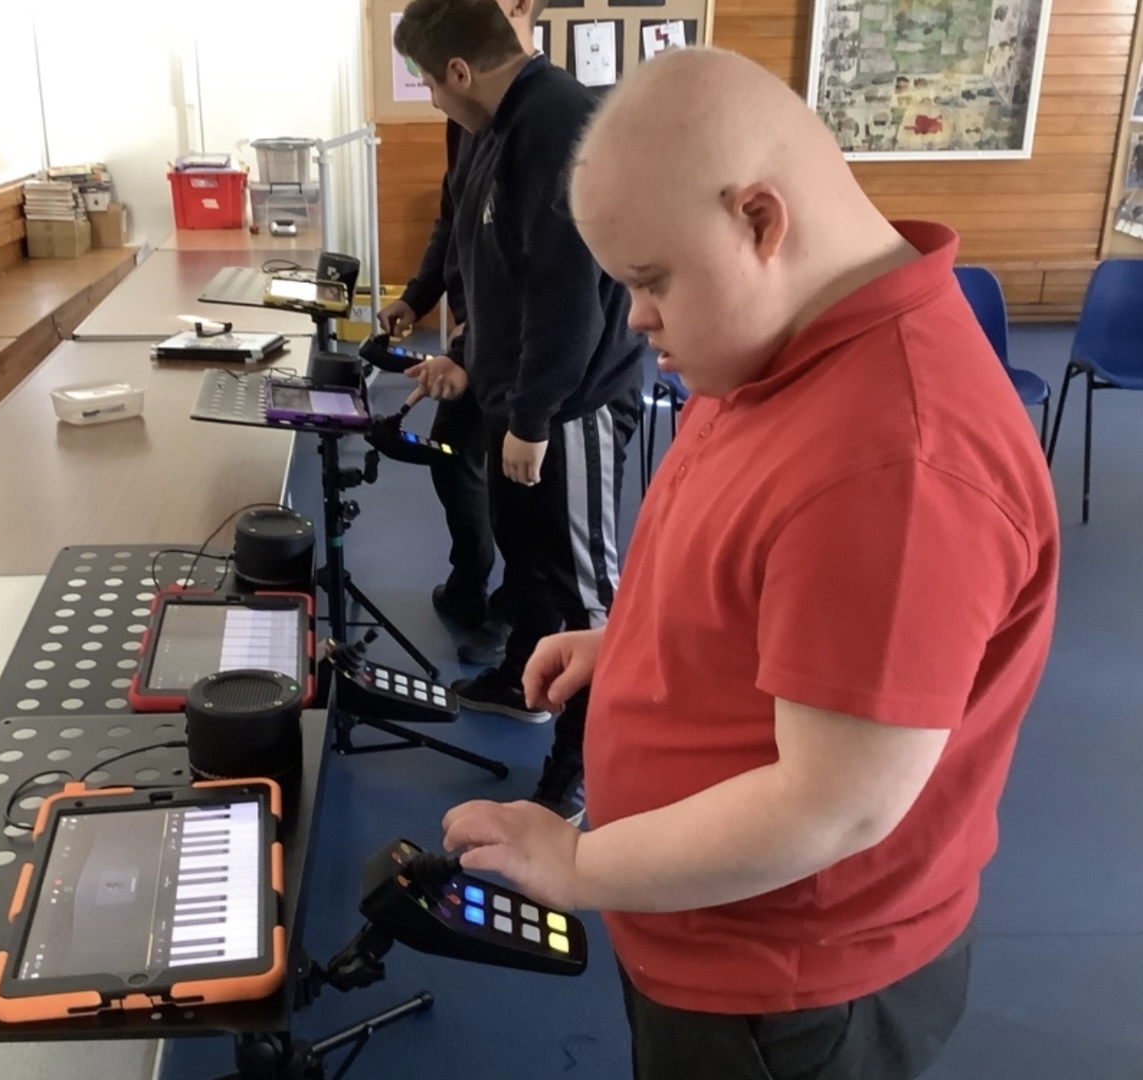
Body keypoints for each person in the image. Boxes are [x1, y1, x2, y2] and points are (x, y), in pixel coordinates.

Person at [440, 48, 1060, 1079]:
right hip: (703, 925)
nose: (635, 318)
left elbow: (838, 801)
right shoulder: (779, 338)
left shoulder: (897, 459)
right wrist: (636, 646)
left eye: (650, 281)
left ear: (760, 222)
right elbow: (757, 570)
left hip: (784, 988)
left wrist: (579, 861)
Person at [394, 0, 645, 822]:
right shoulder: (492, 125)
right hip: (520, 392)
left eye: (429, 83)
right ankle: (525, 681)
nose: (431, 97)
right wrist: (468, 366)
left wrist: (533, 417)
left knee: (580, 590)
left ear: (459, 72)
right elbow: (494, 272)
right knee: (525, 559)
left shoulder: (556, 122)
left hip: (573, 402)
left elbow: (567, 290)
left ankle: (584, 766)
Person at [378, 0, 550, 668]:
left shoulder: (542, 118)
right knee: (454, 456)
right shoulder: (467, 113)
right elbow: (453, 216)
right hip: (478, 337)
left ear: (520, 9)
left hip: (529, 355)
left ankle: (515, 614)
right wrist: (418, 296)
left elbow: (543, 282)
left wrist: (475, 363)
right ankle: (471, 578)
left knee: (523, 498)